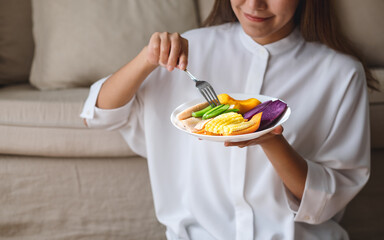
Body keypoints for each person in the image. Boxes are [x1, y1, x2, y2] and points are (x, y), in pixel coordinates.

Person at [81, 0, 378, 239]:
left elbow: (325, 199)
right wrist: (147, 57)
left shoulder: (339, 73)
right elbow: (98, 115)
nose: (254, 4)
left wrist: (271, 139)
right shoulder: (188, 50)